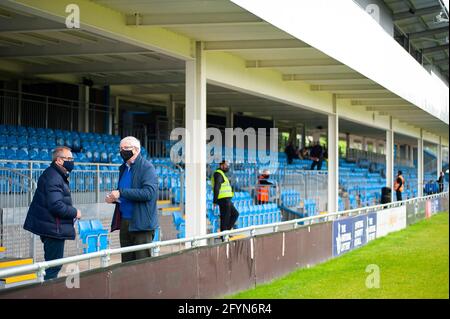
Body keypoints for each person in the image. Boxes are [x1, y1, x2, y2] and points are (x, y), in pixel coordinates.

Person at [23, 146, 81, 280]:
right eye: (69, 158)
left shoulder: (56, 175)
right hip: (54, 228)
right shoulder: (54, 176)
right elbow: (56, 205)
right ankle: (43, 292)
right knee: (54, 266)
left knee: (54, 265)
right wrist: (74, 212)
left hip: (53, 227)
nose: (72, 161)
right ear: (59, 160)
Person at [107, 136, 159, 262]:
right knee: (126, 262)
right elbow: (126, 194)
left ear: (136, 150)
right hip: (125, 222)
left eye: (126, 148)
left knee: (142, 263)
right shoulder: (124, 168)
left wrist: (121, 193)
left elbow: (149, 193)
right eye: (120, 148)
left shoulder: (147, 168)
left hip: (141, 224)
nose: (122, 151)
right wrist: (114, 198)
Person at [211, 160, 239, 233]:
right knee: (225, 218)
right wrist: (215, 200)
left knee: (234, 214)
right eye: (226, 165)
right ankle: (224, 235)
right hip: (223, 199)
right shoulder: (218, 174)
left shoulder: (222, 174)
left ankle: (225, 233)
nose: (227, 167)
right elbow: (216, 187)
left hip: (226, 199)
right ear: (221, 165)